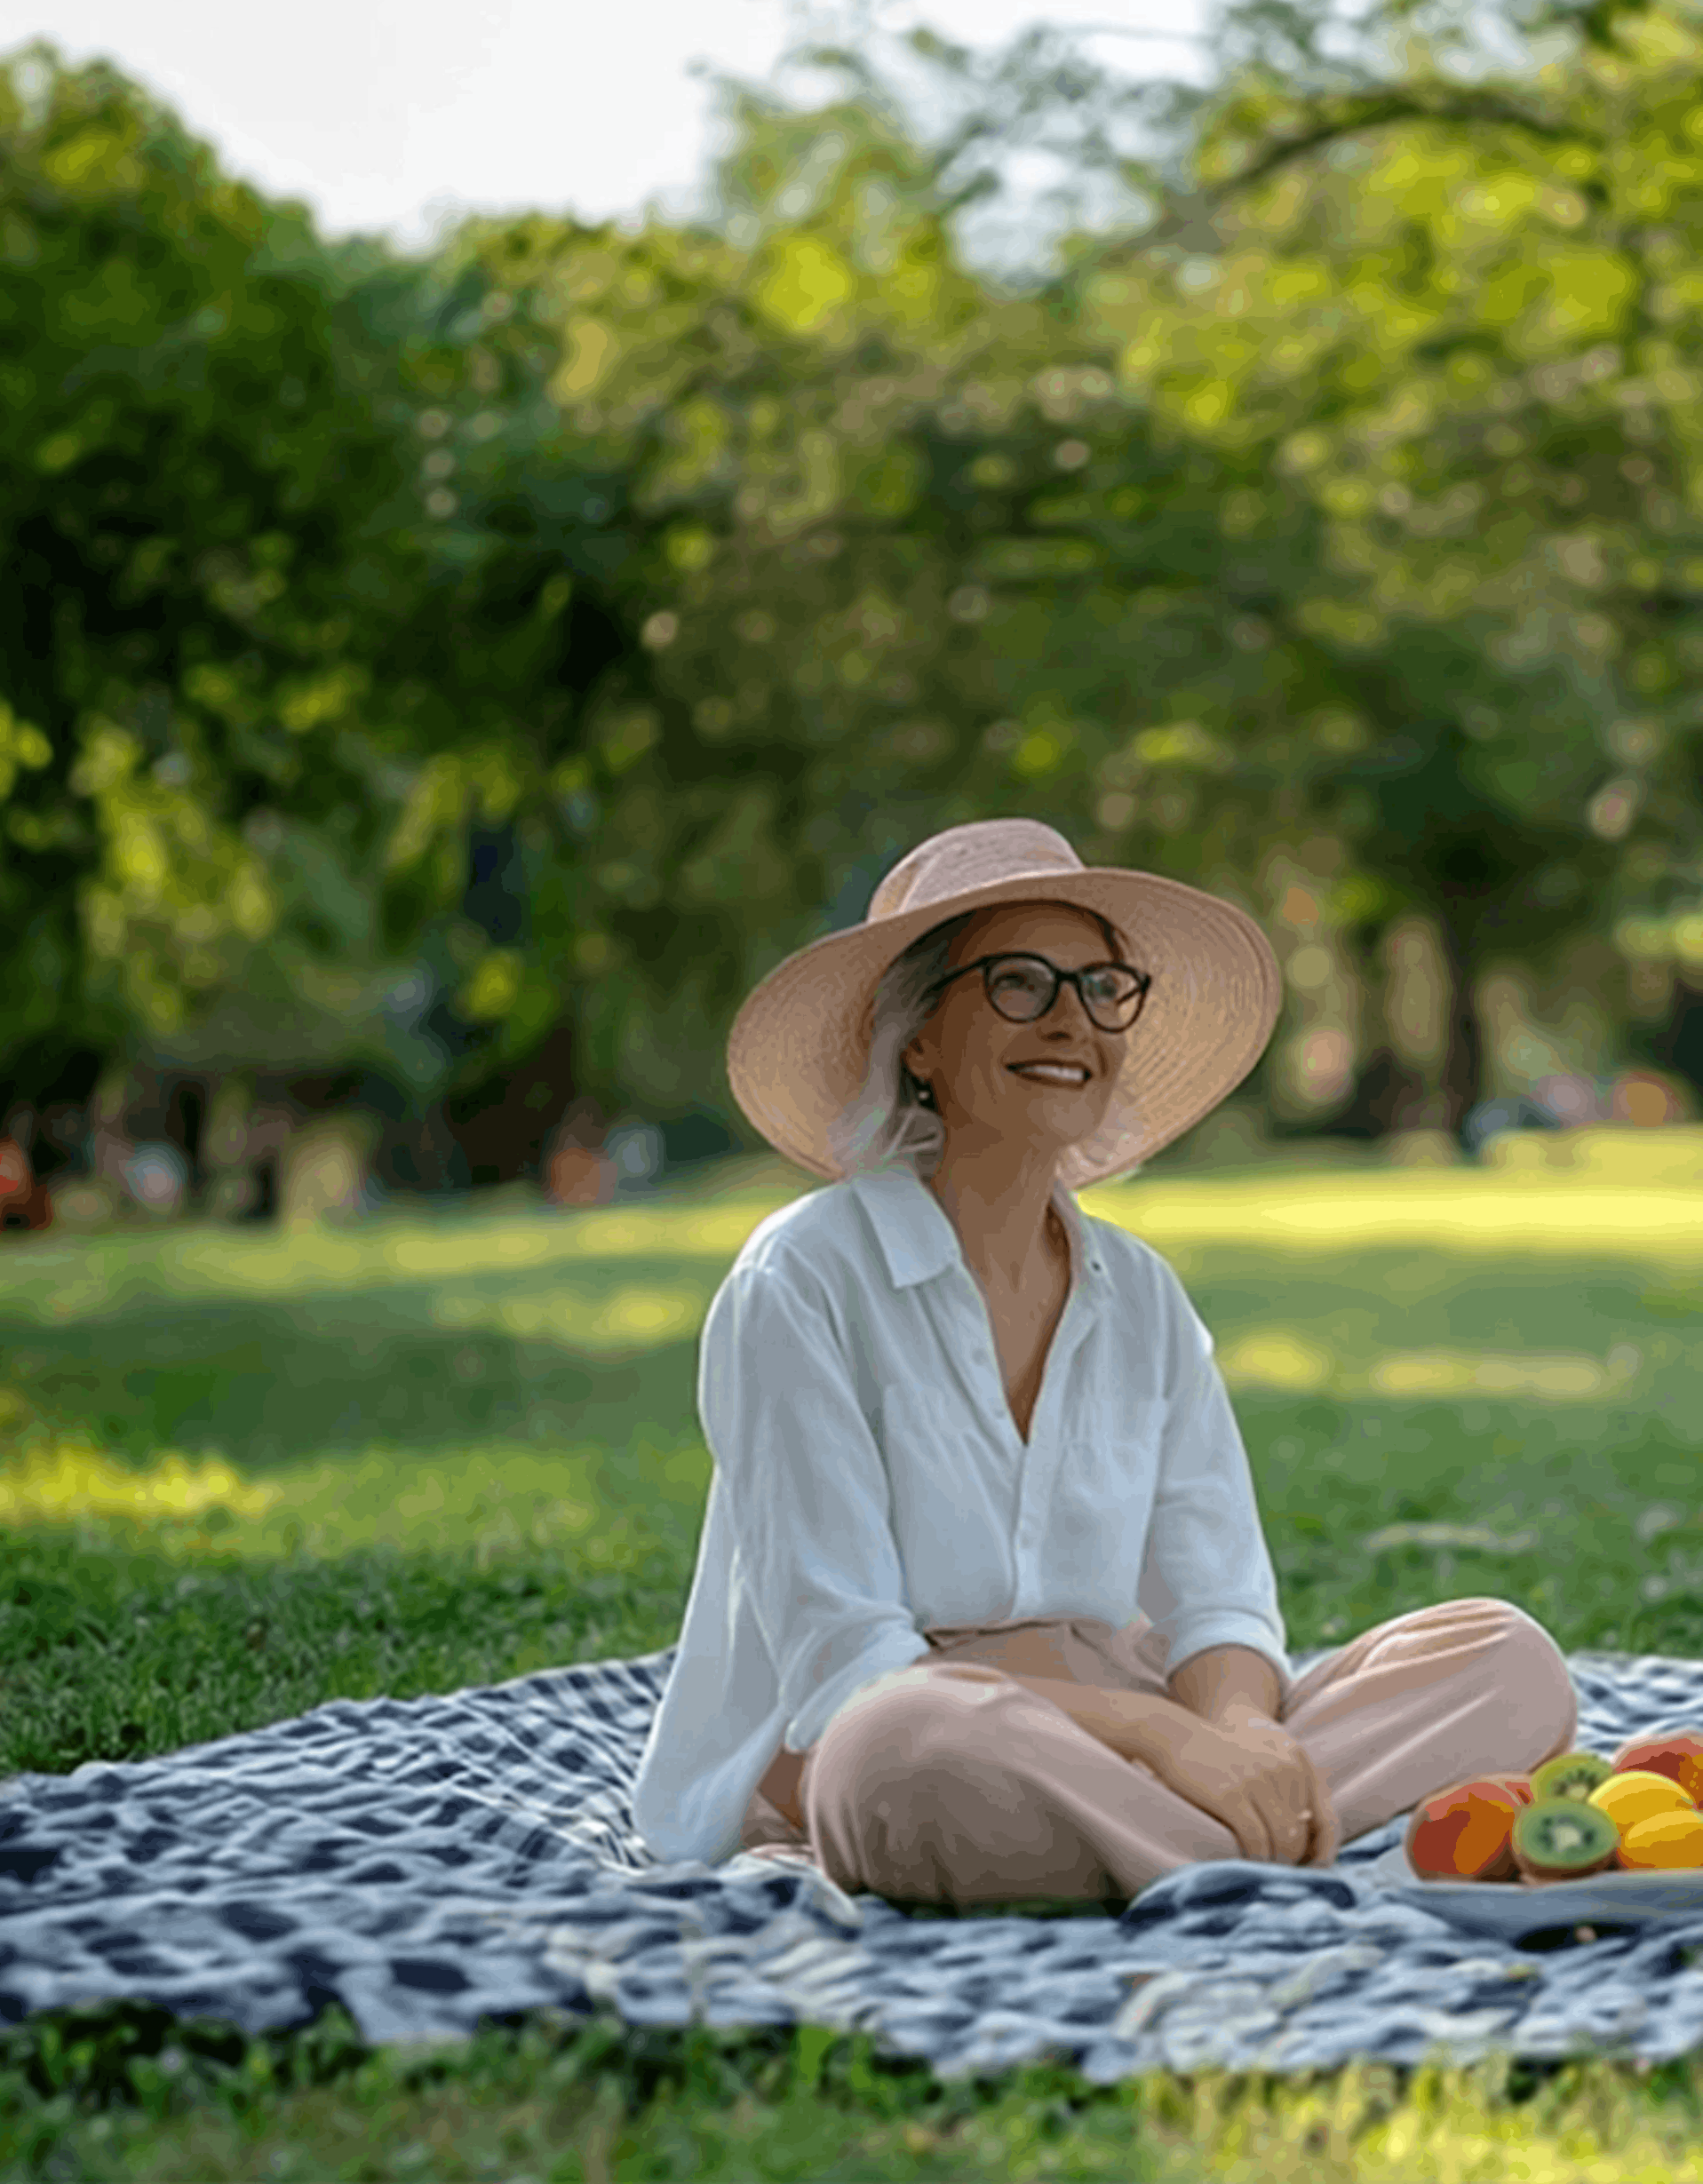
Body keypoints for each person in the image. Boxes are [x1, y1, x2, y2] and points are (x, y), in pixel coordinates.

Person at [631, 819, 1579, 1911]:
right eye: (1021, 983)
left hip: (1122, 1742)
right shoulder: (799, 1277)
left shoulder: (1142, 1295)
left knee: (1508, 1658)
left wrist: (1228, 1730)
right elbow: (854, 1666)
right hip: (922, 1750)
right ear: (918, 1038)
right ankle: (1245, 1842)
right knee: (897, 1746)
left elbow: (1219, 1603)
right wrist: (1167, 1741)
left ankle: (1185, 1845)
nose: (1073, 1018)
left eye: (1099, 985)